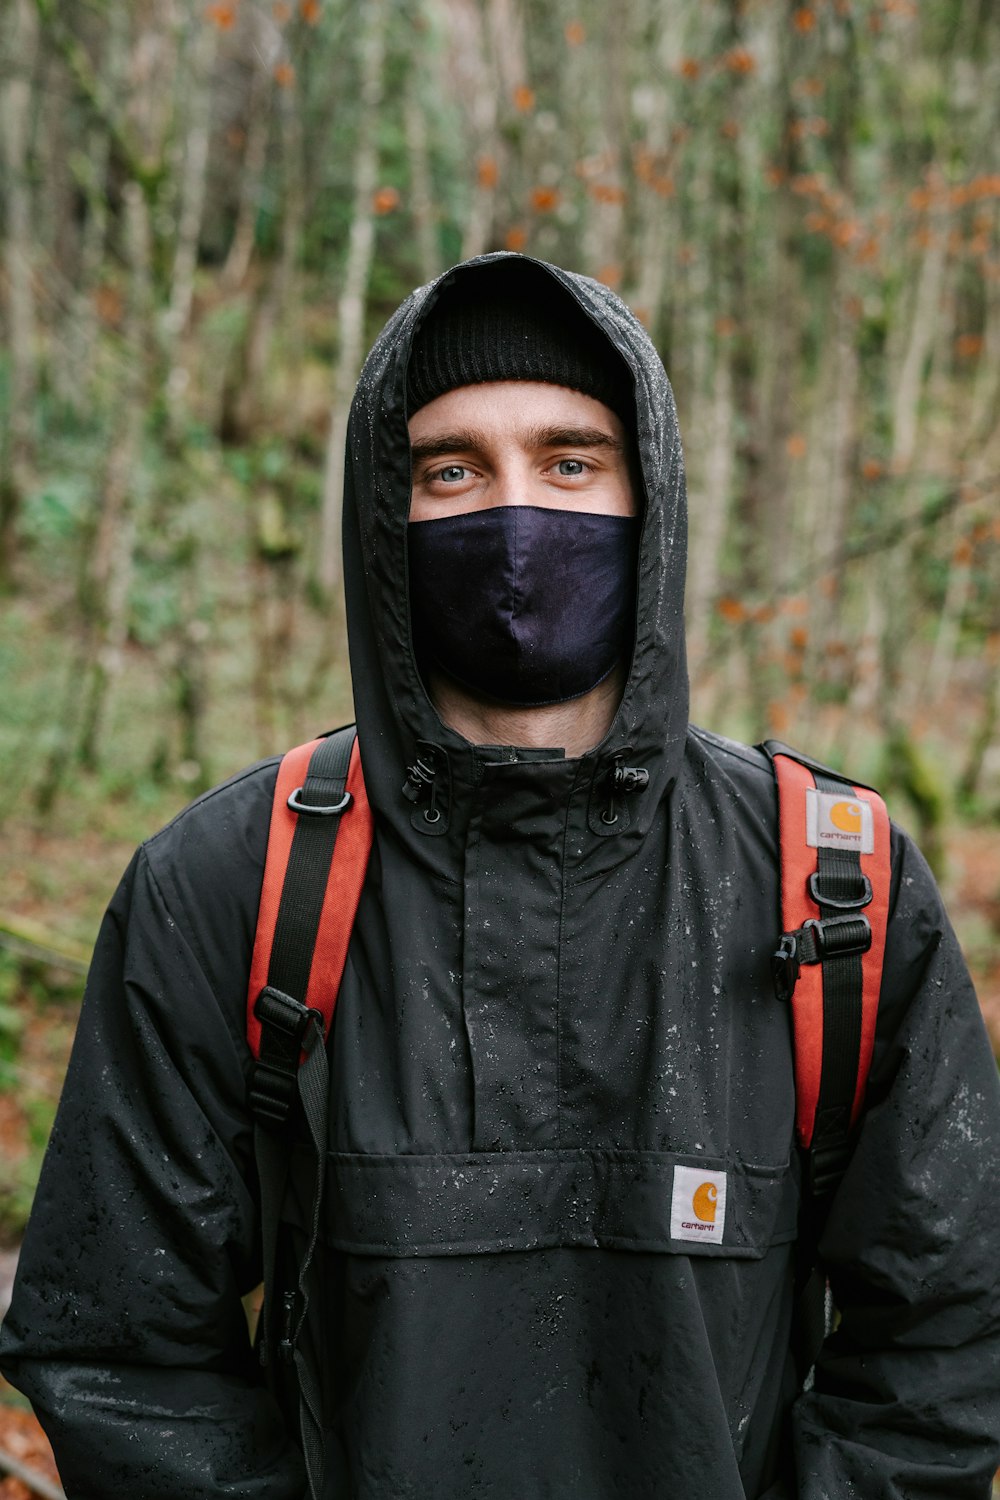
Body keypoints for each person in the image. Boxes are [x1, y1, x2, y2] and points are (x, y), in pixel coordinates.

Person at [2, 252, 999, 1499]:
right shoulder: (229, 885)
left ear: (654, 498)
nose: (515, 517)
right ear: (384, 513)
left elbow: (949, 1339)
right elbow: (117, 1350)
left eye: (570, 460)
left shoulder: (826, 887)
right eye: (451, 470)